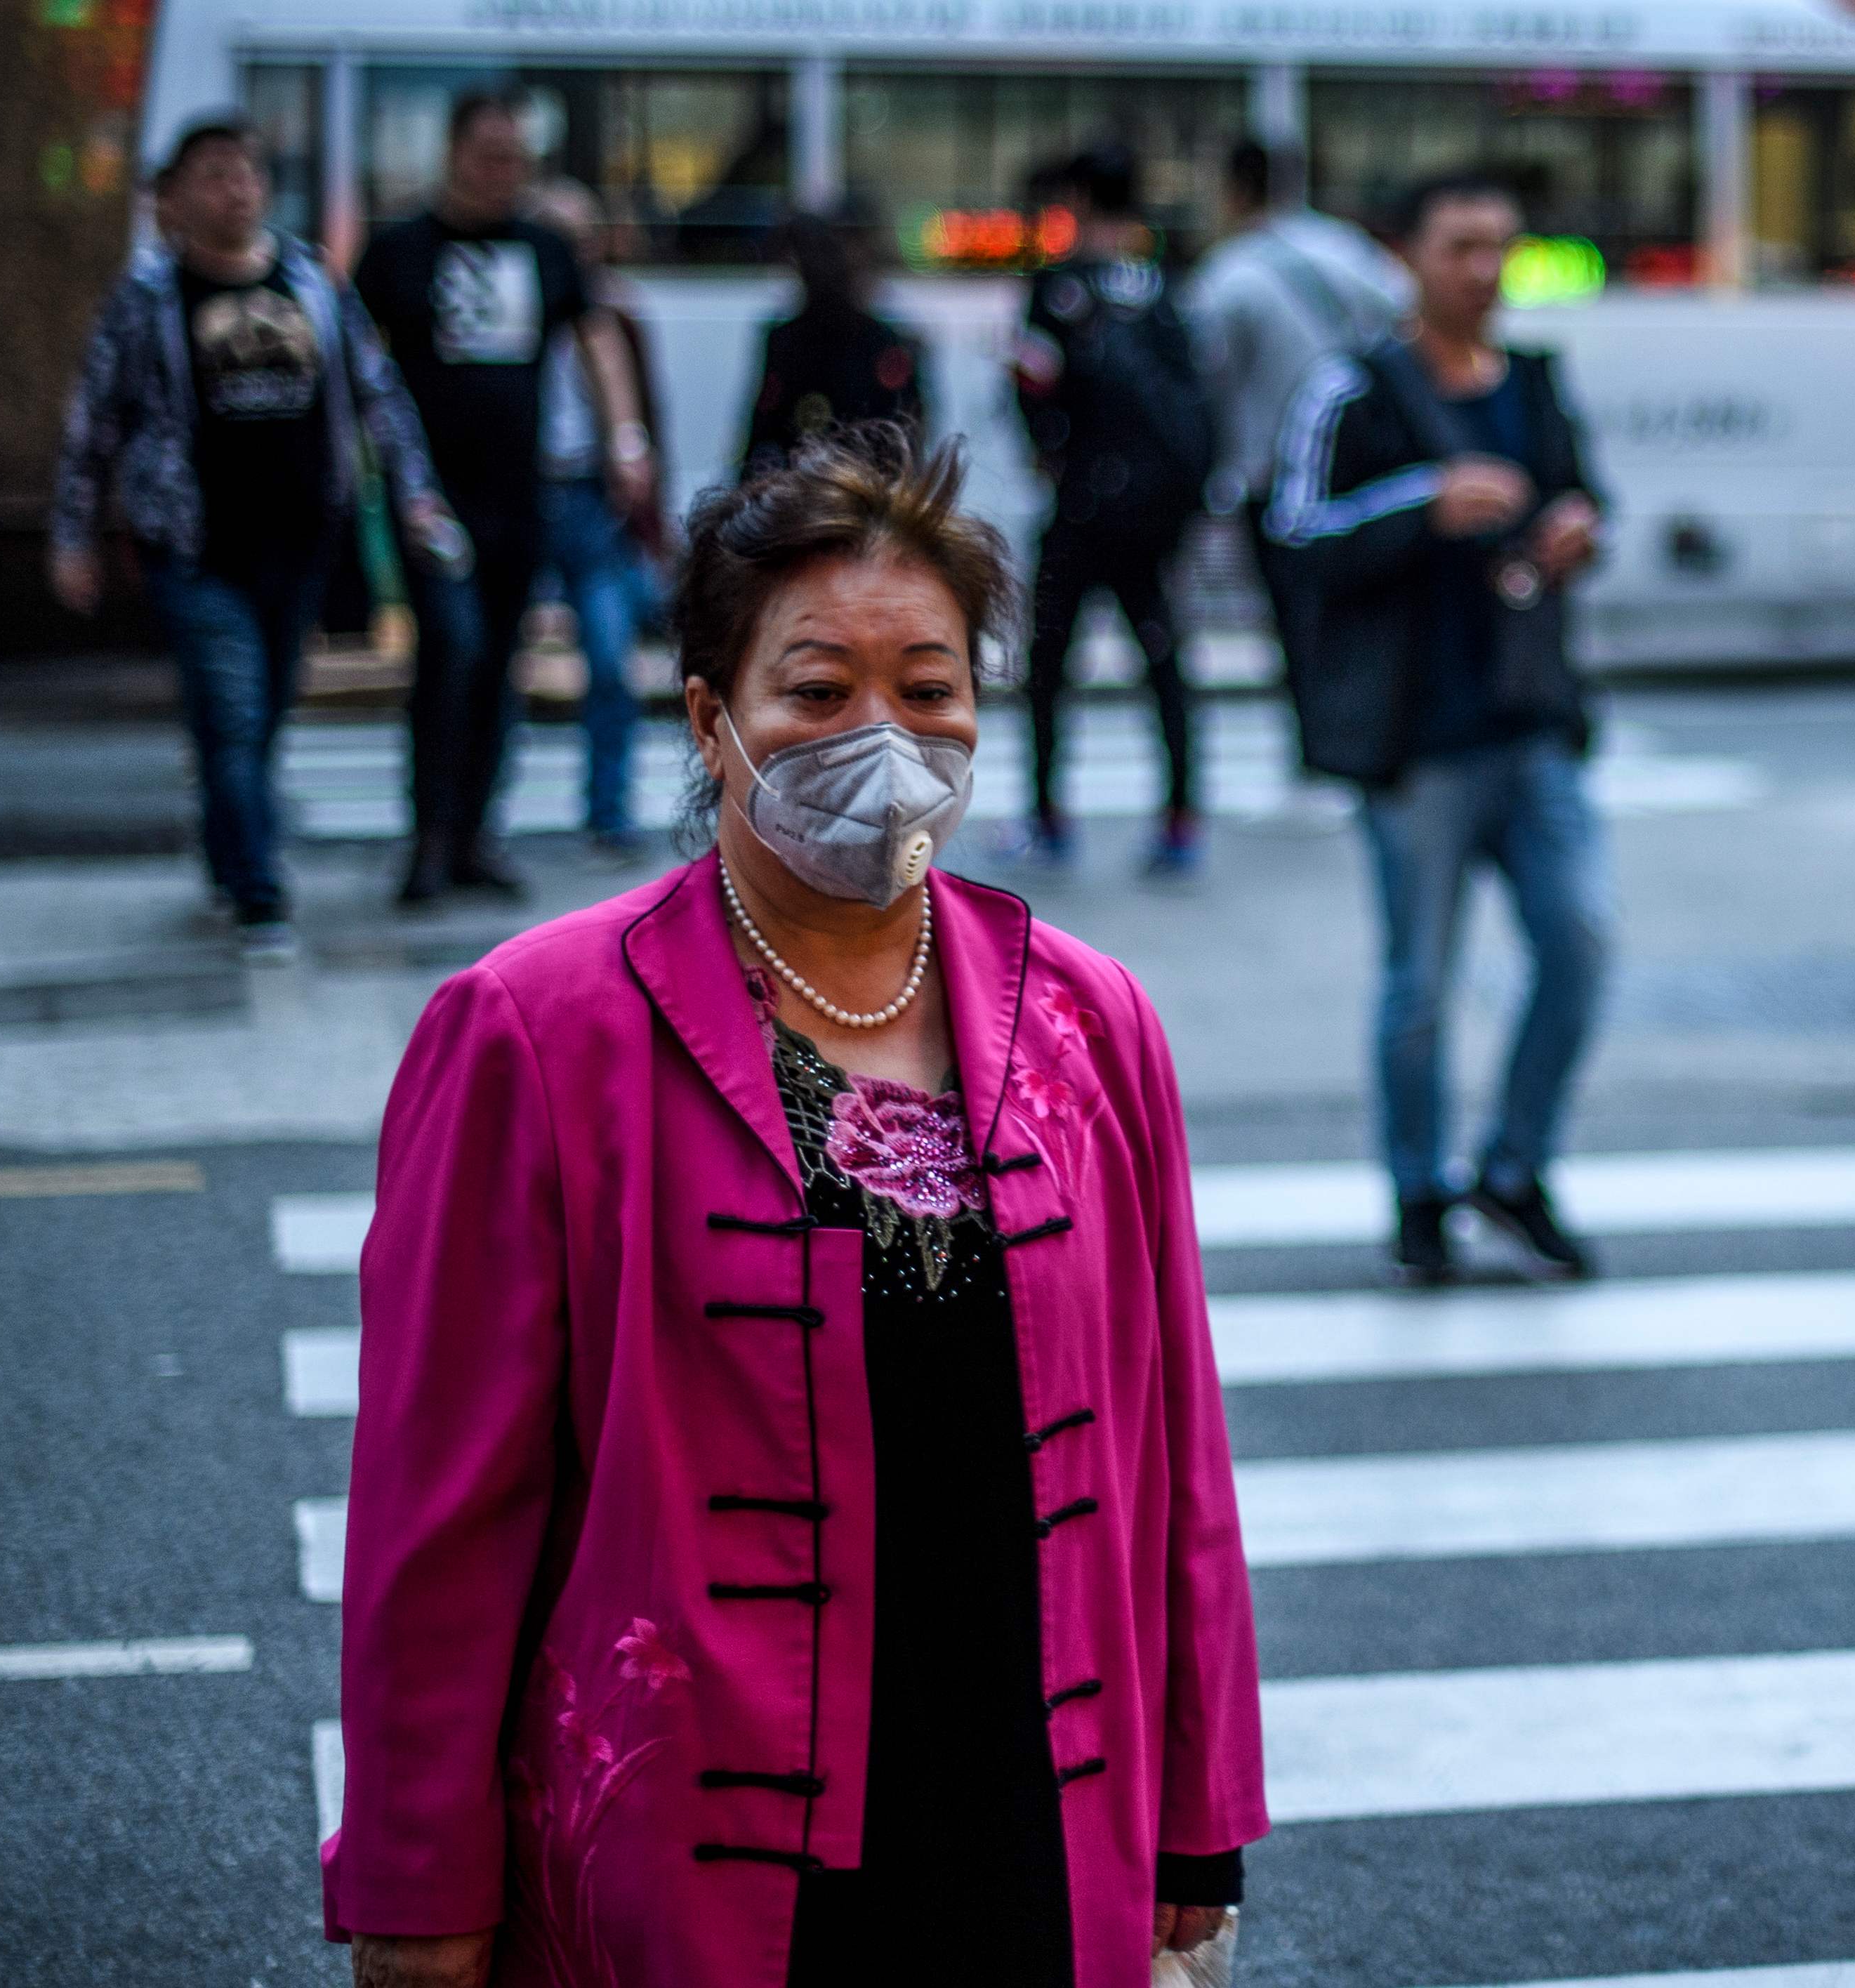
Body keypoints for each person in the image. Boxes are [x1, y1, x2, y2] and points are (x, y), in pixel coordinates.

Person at [323, 430, 1267, 1988]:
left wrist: (1197, 1819)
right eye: (817, 691)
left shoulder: (1087, 1022)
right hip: (693, 1849)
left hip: (1032, 1822)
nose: (882, 737)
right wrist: (420, 1885)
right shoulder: (536, 1027)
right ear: (713, 718)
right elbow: (441, 1508)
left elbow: (1173, 1457)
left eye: (930, 687)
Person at [1266, 171, 1609, 1286]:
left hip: (1532, 719)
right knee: (1419, 983)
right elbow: (1293, 535)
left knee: (1579, 944)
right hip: (1418, 740)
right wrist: (1423, 504)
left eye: (1502, 244)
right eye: (1462, 245)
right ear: (1408, 255)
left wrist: (1573, 529)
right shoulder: (1354, 389)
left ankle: (1514, 1168)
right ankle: (1419, 1191)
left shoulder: (1538, 382)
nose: (1485, 269)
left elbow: (1580, 495)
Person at [51, 112, 458, 961]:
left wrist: (415, 499)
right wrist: (73, 534)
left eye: (246, 173)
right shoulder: (148, 300)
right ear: (173, 198)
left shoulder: (312, 282)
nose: (235, 189)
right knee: (235, 713)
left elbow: (379, 399)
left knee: (259, 714)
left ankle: (227, 848)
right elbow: (94, 421)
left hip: (301, 539)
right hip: (195, 547)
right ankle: (261, 892)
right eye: (213, 175)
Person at [356, 89, 652, 907]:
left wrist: (624, 437)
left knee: (498, 665)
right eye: (489, 156)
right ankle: (430, 834)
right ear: (452, 153)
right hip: (429, 498)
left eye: (516, 160)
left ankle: (477, 833)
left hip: (521, 495)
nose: (503, 175)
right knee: (449, 649)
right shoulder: (399, 249)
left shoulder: (545, 247)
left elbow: (596, 337)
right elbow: (358, 360)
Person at [1010, 144, 1217, 878]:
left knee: (1049, 664)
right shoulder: (1162, 288)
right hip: (1152, 514)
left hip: (1081, 508)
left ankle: (1046, 816)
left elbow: (1032, 388)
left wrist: (1053, 457)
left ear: (1080, 202)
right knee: (1163, 658)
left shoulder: (1058, 286)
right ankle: (1181, 817)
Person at [1184, 137, 1411, 655]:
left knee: (1295, 627)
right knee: (1359, 624)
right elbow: (1406, 324)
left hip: (1272, 478)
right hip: (1363, 468)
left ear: (1235, 191)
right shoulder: (1350, 250)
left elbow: (1204, 379)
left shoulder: (1229, 274)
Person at [528, 178, 666, 861]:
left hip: (590, 493)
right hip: (519, 492)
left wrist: (644, 499)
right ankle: (466, 821)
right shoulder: (510, 309)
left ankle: (608, 809)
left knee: (611, 660)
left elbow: (647, 417)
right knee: (481, 657)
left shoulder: (614, 315)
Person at [741, 208, 924, 479]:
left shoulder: (884, 342)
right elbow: (766, 430)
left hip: (853, 489)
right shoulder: (788, 340)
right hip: (824, 488)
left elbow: (904, 432)